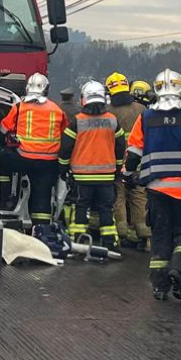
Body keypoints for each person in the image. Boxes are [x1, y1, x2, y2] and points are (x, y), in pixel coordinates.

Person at [125, 69, 181, 301]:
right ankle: (179, 270)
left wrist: (127, 174)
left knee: (161, 236)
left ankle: (160, 285)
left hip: (157, 190)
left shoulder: (146, 117)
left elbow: (134, 153)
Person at [59, 81, 125, 249]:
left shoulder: (77, 121)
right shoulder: (112, 120)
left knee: (81, 207)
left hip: (82, 176)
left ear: (84, 99)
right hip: (107, 176)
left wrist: (63, 168)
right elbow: (120, 146)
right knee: (106, 209)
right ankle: (109, 242)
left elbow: (66, 147)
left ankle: (78, 240)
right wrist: (117, 168)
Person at [0, 73, 68, 227]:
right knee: (42, 195)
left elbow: (3, 129)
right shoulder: (57, 110)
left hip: (23, 158)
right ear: (46, 89)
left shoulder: (19, 107)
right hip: (49, 162)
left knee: (0, 158)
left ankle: (5, 195)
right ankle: (41, 229)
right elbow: (65, 134)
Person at [105, 72, 150, 251]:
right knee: (139, 197)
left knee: (119, 197)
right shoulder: (142, 110)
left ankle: (121, 234)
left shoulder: (108, 112)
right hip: (139, 162)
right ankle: (145, 236)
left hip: (115, 163)